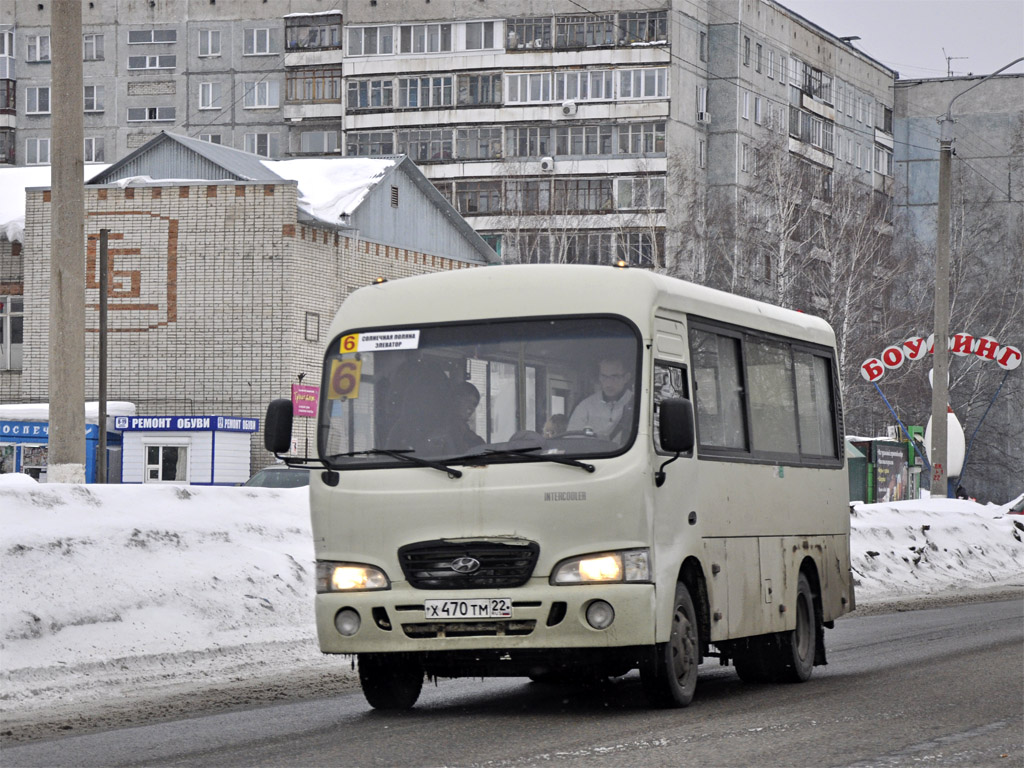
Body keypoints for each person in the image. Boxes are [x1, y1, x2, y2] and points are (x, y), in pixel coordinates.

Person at [568, 357, 634, 441]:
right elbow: (572, 440)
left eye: (614, 377)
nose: (608, 383)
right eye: (604, 377)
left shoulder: (638, 404)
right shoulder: (586, 406)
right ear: (599, 377)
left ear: (626, 377)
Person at [448, 381, 485, 452]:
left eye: (474, 404)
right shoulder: (444, 430)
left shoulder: (468, 434)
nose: (471, 408)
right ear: (456, 399)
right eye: (468, 401)